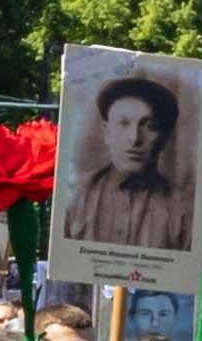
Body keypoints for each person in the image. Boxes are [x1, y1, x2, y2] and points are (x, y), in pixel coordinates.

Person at [73, 69, 195, 249]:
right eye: (123, 124)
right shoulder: (77, 199)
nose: (135, 138)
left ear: (165, 138)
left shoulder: (183, 211)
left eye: (149, 126)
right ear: (107, 132)